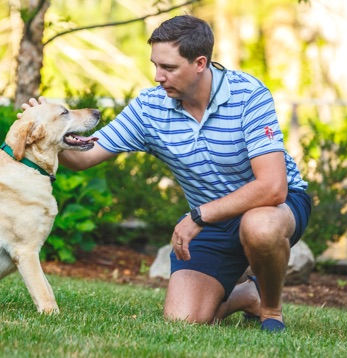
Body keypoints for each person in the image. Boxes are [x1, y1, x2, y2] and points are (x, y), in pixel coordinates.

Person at [20, 15, 311, 332]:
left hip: (271, 207)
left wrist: (197, 216)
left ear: (200, 63)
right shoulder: (150, 108)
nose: (158, 76)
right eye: (155, 65)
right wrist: (47, 130)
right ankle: (249, 295)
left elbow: (272, 187)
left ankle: (270, 310)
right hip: (211, 221)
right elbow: (85, 157)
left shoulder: (248, 95)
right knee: (184, 319)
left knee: (260, 226)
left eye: (169, 68)